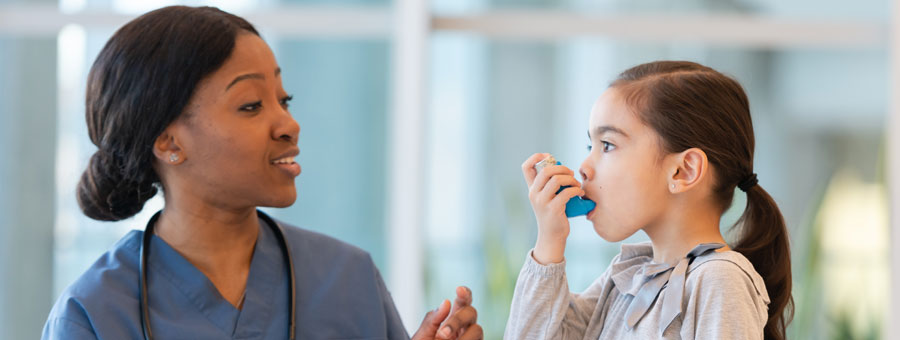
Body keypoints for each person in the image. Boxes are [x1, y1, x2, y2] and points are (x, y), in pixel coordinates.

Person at [42, 6, 481, 340]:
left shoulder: (349, 278)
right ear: (169, 143)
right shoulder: (94, 313)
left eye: (283, 100)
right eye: (251, 106)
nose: (289, 124)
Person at [505, 61, 792, 339]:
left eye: (607, 145)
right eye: (590, 145)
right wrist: (549, 242)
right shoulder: (628, 278)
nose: (583, 167)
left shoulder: (719, 279)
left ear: (683, 171)